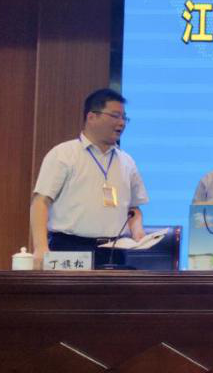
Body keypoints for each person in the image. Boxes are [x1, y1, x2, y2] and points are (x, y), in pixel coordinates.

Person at [30, 88, 148, 269]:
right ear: (92, 117)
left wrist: (137, 230)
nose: (121, 123)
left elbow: (133, 209)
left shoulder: (127, 161)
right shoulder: (63, 154)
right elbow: (40, 202)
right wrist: (41, 248)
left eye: (124, 117)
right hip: (70, 247)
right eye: (115, 116)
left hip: (115, 250)